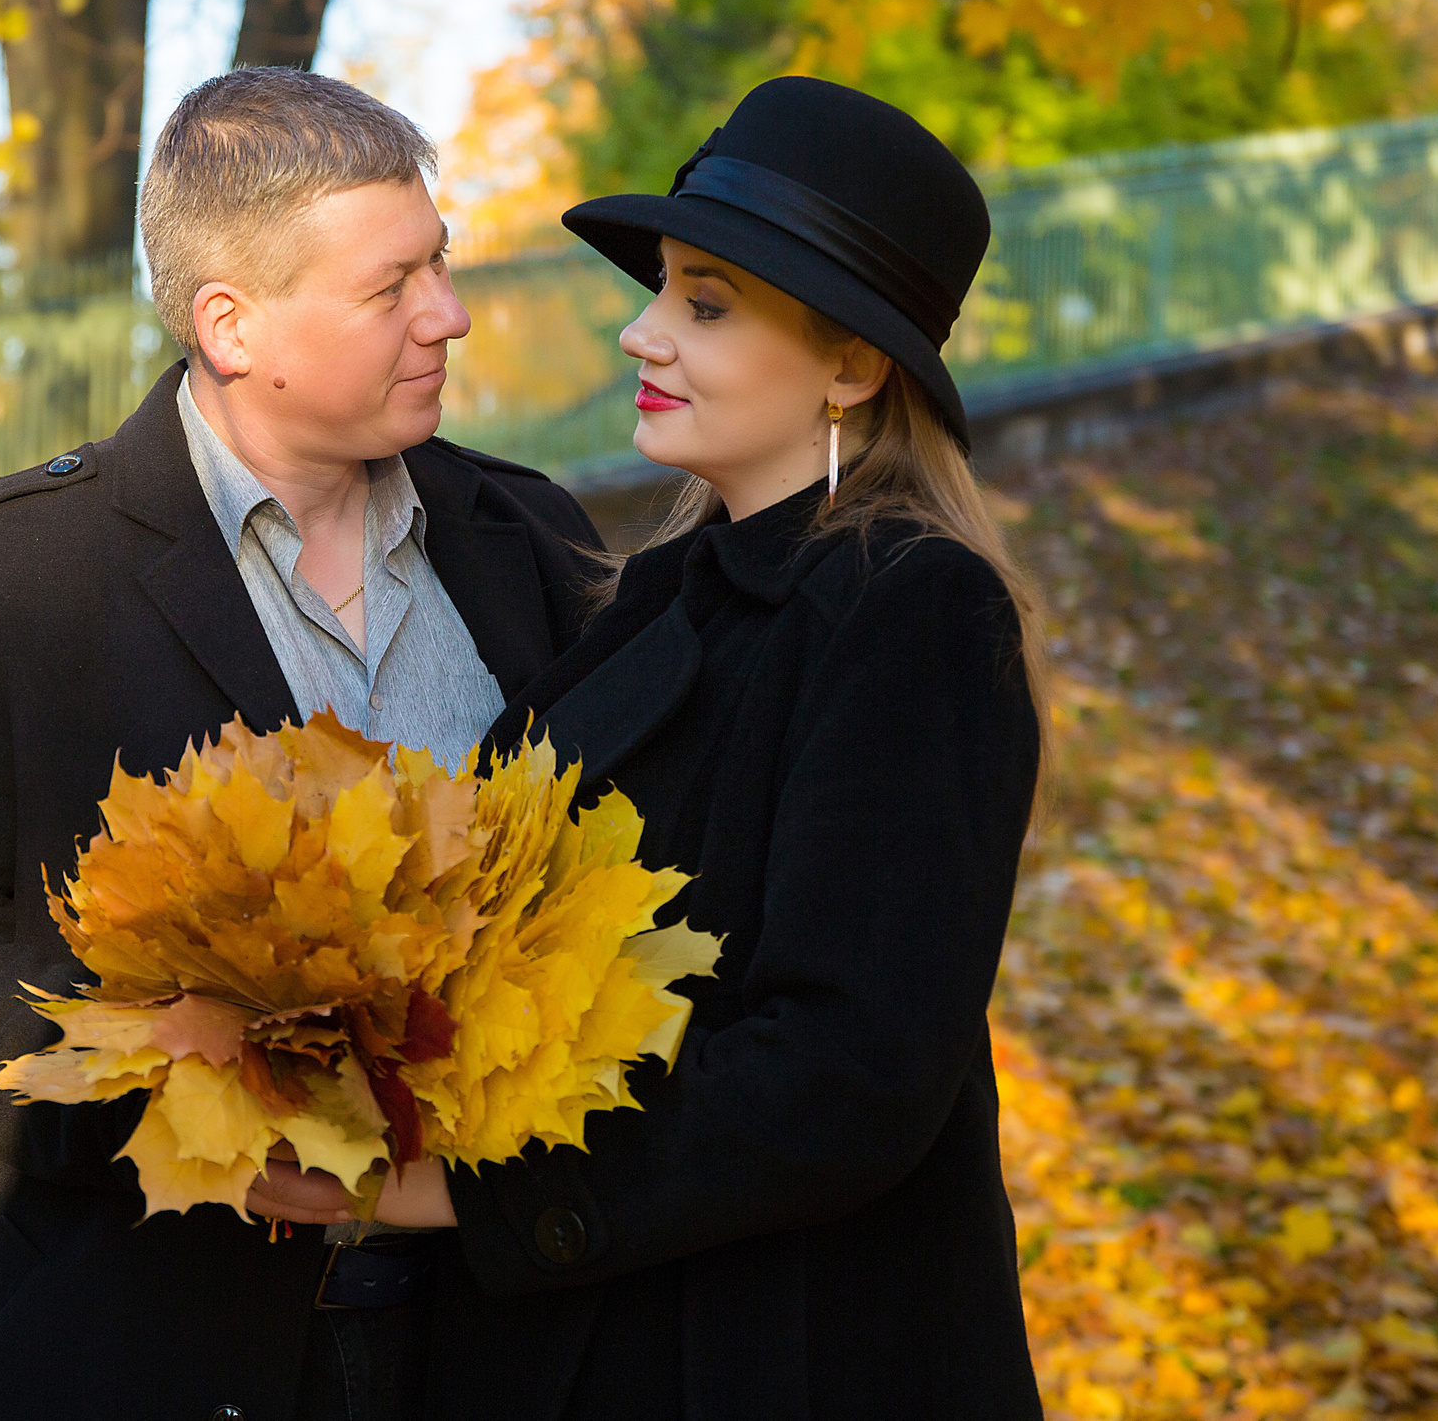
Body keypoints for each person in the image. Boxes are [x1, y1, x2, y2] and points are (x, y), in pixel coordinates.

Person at [0, 67, 605, 1421]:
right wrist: (153, 1084)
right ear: (231, 324)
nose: (447, 316)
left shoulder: (532, 543)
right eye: (389, 287)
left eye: (439, 266)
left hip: (497, 1348)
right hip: (128, 1346)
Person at [260, 76, 1052, 1419]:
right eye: (663, 290)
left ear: (853, 365)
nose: (641, 331)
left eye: (705, 304)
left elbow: (850, 1070)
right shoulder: (653, 599)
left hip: (775, 1349)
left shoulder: (912, 609)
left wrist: (458, 1188)